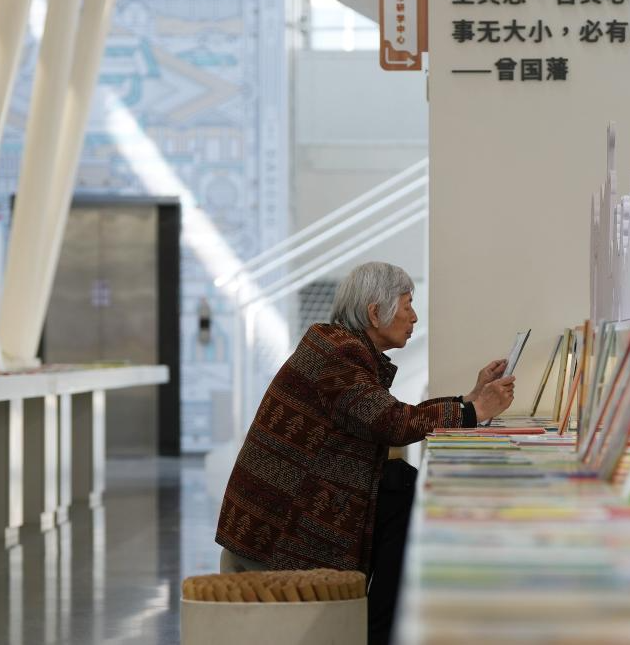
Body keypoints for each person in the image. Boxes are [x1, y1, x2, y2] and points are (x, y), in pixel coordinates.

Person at [215, 261, 515, 644]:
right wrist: (473, 411)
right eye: (407, 305)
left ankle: (382, 628)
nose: (414, 316)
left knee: (401, 485)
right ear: (375, 313)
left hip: (275, 521)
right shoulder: (339, 354)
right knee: (403, 491)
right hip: (275, 536)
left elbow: (388, 414)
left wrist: (470, 401)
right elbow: (390, 422)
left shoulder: (338, 346)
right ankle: (381, 631)